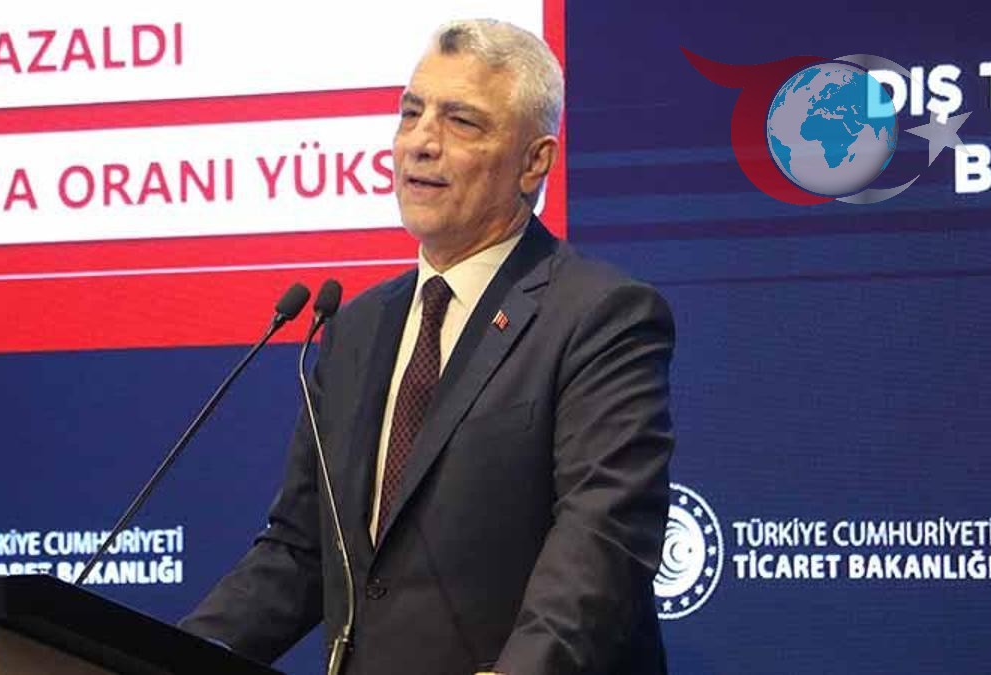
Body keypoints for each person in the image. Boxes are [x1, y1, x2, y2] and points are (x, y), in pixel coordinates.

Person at [181, 18, 674, 675]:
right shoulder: (354, 330)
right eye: (411, 113)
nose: (420, 142)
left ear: (535, 161)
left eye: (461, 121)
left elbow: (600, 542)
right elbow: (302, 551)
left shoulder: (600, 317)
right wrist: (158, 658)